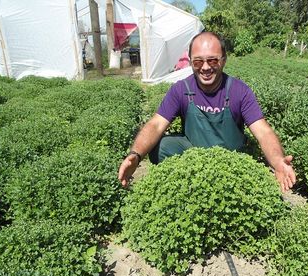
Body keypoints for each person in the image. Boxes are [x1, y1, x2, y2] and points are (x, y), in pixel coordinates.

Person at [118, 31, 296, 192]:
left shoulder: (239, 91)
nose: (205, 67)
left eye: (212, 60)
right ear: (190, 62)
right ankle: (189, 183)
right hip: (193, 155)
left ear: (223, 60)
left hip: (231, 158)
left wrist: (278, 161)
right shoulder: (181, 89)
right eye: (198, 61)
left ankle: (229, 181)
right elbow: (156, 124)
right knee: (159, 147)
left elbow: (263, 132)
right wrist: (135, 155)